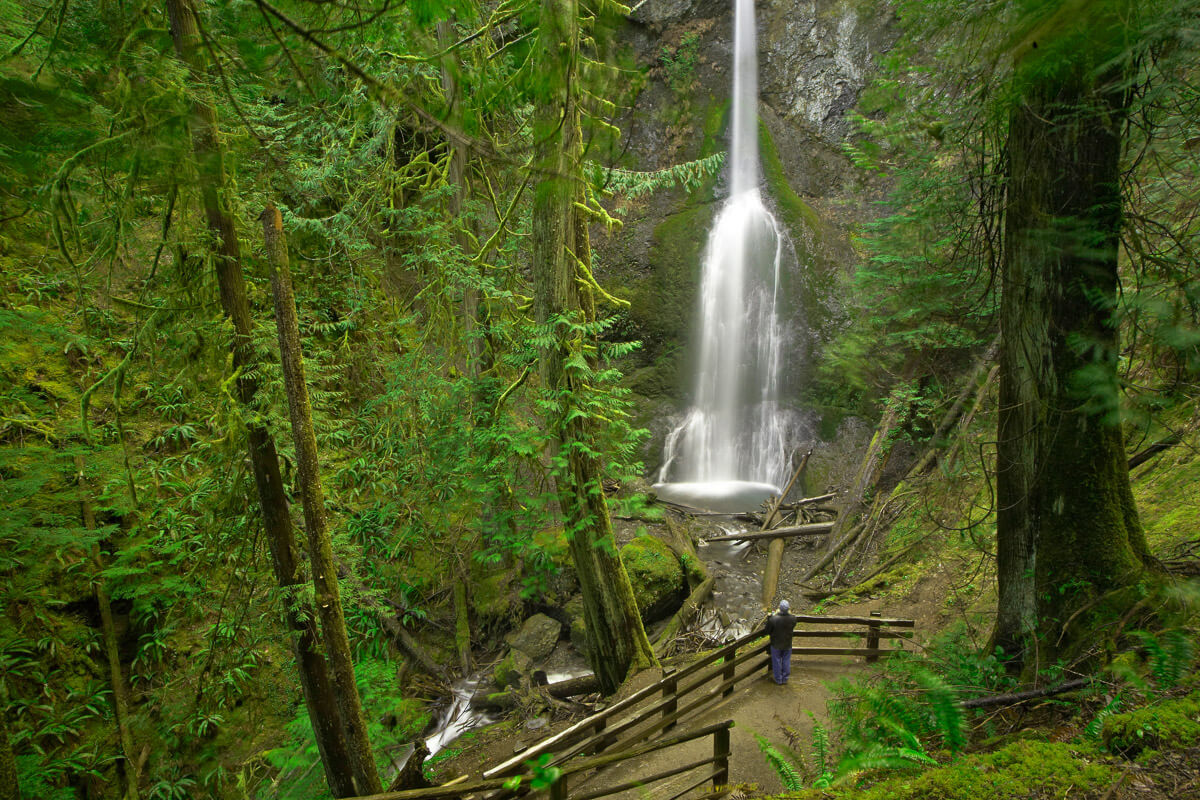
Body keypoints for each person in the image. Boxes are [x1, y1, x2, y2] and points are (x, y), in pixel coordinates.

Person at [764, 599, 797, 684]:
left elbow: (767, 631)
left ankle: (778, 679)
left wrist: (769, 617)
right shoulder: (793, 618)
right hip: (787, 643)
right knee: (786, 661)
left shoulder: (773, 619)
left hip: (776, 644)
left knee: (777, 662)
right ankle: (785, 678)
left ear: (779, 608)